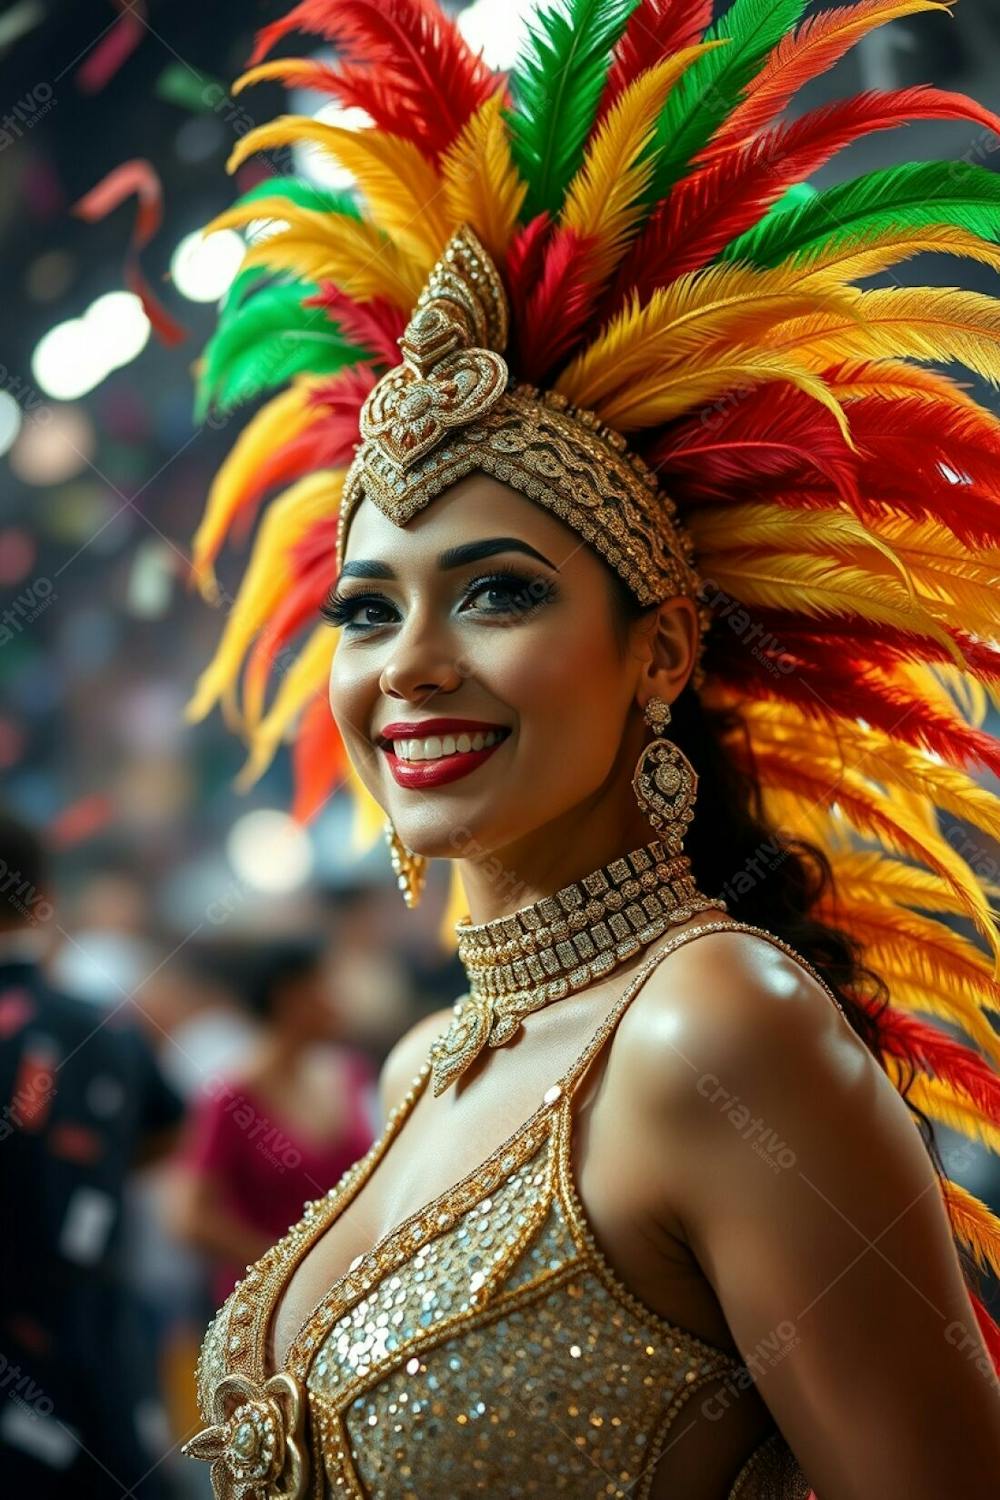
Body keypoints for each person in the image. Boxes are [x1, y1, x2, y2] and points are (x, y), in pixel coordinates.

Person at [178, 2, 1000, 1495]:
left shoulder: (714, 1032)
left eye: (499, 591)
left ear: (663, 651)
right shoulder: (427, 1058)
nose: (411, 665)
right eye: (369, 609)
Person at [0, 810, 185, 1499]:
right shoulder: (105, 1025)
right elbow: (169, 1128)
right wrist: (92, 1168)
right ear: (44, 898)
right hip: (95, 1350)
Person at [167, 937, 377, 1305]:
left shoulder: (350, 1074)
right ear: (290, 998)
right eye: (323, 987)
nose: (337, 1001)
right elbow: (190, 1216)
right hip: (267, 1306)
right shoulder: (231, 1098)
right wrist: (286, 1266)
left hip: (349, 1296)